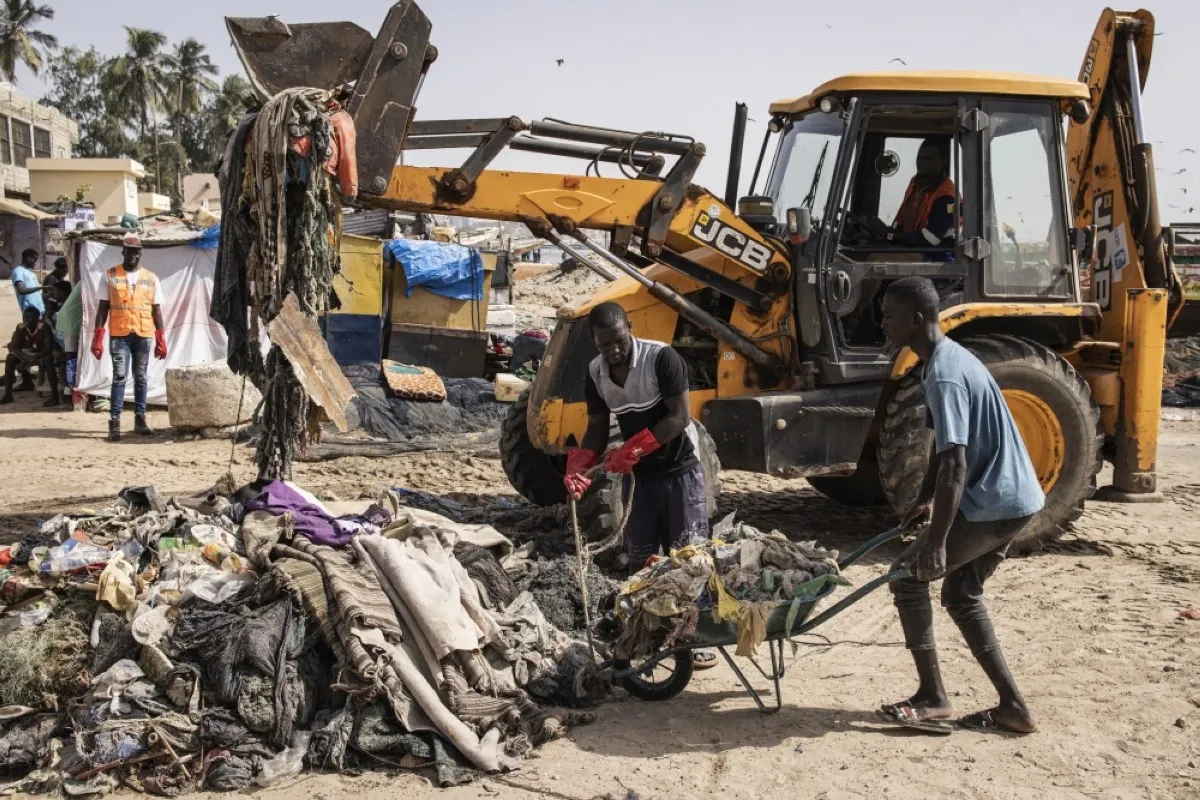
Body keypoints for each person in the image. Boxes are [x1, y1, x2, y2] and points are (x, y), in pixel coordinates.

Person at [877, 276, 1044, 735]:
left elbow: (956, 465)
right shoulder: (939, 363)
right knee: (960, 593)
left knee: (908, 579)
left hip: (995, 502)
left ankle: (933, 698)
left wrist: (936, 541)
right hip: (1013, 498)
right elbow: (940, 450)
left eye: (890, 315)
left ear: (916, 319)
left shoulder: (946, 374)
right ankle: (1014, 708)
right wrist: (925, 498)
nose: (883, 323)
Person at [563, 302, 717, 668]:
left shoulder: (662, 359)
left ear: (629, 328)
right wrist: (581, 463)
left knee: (688, 562)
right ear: (594, 343)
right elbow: (598, 427)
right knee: (639, 562)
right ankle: (645, 635)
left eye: (619, 340)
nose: (614, 350)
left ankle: (693, 640)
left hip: (681, 473)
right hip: (642, 480)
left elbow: (679, 418)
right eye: (605, 345)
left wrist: (634, 447)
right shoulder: (596, 373)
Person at [90, 233, 167, 441]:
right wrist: (97, 336)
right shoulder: (110, 275)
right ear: (123, 251)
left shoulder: (151, 278)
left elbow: (156, 310)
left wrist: (161, 337)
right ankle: (114, 423)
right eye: (130, 251)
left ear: (141, 253)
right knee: (119, 377)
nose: (133, 255)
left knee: (141, 377)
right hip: (119, 334)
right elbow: (102, 309)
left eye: (137, 251)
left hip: (143, 334)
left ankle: (140, 420)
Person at [866, 138, 956, 259]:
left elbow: (928, 241)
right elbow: (902, 230)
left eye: (928, 159)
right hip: (913, 251)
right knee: (861, 251)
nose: (921, 163)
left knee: (874, 260)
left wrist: (888, 234)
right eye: (920, 158)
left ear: (942, 161)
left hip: (935, 260)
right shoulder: (916, 186)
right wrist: (882, 233)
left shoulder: (947, 197)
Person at [2, 305, 58, 406]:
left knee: (48, 359)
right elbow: (14, 347)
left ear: (37, 319)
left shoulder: (43, 327)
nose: (26, 320)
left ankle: (55, 397)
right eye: (24, 317)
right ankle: (8, 395)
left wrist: (33, 358)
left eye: (29, 318)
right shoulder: (20, 327)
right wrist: (25, 359)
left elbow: (48, 349)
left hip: (42, 353)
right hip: (30, 353)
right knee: (10, 358)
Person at [9, 248, 45, 316]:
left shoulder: (32, 274)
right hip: (30, 312)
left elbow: (36, 295)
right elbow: (21, 290)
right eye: (35, 259)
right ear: (28, 258)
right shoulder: (18, 271)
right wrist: (41, 287)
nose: (35, 262)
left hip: (40, 310)